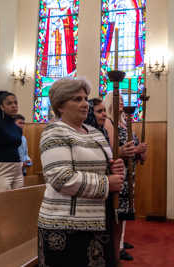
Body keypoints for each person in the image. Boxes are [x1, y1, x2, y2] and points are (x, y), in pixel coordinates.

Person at [37, 76, 125, 267]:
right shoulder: (54, 131)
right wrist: (107, 182)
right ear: (60, 105)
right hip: (66, 225)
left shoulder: (94, 132)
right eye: (77, 99)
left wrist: (116, 168)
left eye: (85, 98)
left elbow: (106, 167)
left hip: (100, 220)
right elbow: (61, 178)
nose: (85, 103)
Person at [103, 92, 147, 265]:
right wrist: (135, 151)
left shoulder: (123, 122)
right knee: (117, 215)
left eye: (122, 99)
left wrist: (138, 155)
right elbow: (113, 151)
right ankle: (115, 254)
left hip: (129, 174)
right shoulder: (108, 121)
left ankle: (119, 244)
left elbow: (130, 148)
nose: (121, 102)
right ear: (110, 101)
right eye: (118, 99)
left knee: (123, 214)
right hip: (118, 174)